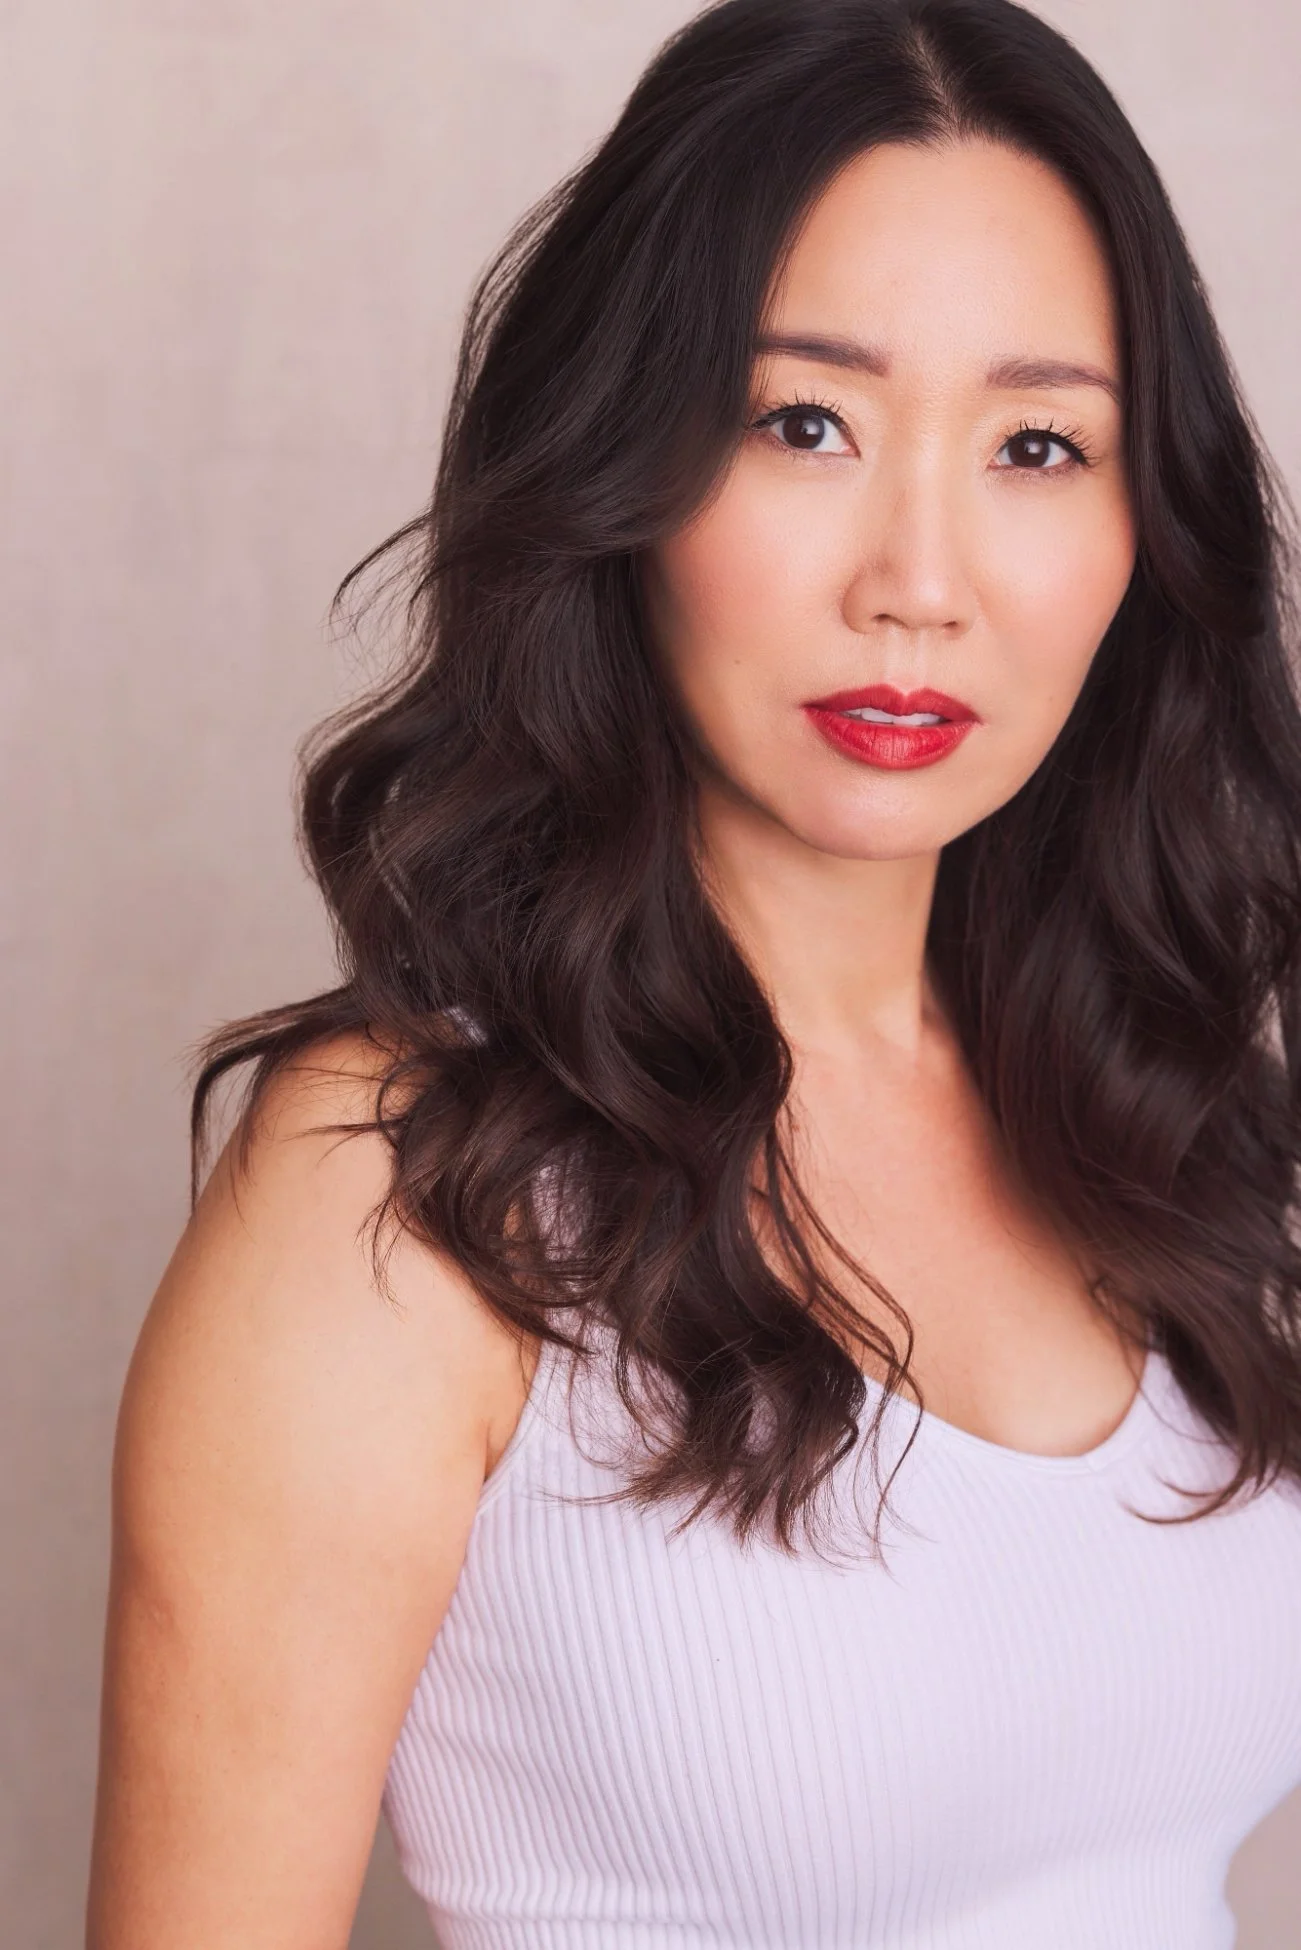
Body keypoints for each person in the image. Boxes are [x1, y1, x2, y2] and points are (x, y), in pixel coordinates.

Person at [88, 1, 1301, 1945]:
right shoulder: (399, 1184)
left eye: (1032, 444)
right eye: (801, 420)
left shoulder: (1145, 1116)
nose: (920, 574)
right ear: (622, 466)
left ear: (1134, 529)